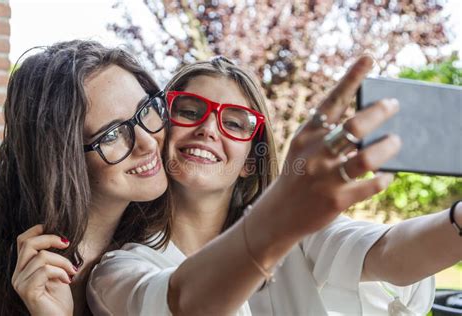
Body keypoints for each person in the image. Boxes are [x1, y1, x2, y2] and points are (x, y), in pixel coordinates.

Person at [87, 56, 462, 315]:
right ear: (162, 130)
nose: (207, 129)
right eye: (188, 110)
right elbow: (182, 304)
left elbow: (390, 251)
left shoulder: (297, 237)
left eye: (235, 123)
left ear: (251, 161)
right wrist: (280, 211)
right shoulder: (118, 272)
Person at [0, 40, 170, 315]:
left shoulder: (163, 246)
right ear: (62, 159)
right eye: (111, 135)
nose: (148, 143)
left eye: (145, 110)